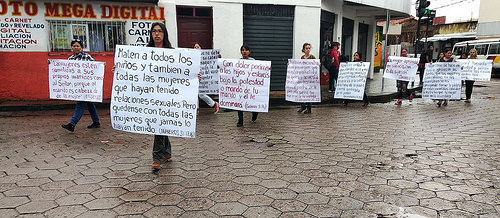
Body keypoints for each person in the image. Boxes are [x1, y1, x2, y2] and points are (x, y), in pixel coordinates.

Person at [147, 22, 174, 170]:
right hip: (151, 93)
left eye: (160, 31)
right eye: (154, 31)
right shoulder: (146, 51)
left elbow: (183, 70)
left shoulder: (172, 52)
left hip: (167, 94)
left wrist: (195, 76)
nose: (156, 34)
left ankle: (156, 157)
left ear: (164, 34)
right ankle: (167, 152)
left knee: (160, 124)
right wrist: (121, 70)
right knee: (160, 123)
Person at [61, 39, 100, 132]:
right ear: (71, 48)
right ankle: (96, 122)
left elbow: (95, 66)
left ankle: (72, 124)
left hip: (86, 85)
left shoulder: (86, 56)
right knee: (90, 104)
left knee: (80, 104)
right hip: (77, 86)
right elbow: (65, 70)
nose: (76, 47)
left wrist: (101, 65)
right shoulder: (70, 59)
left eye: (78, 46)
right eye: (74, 46)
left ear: (81, 48)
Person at [193, 42, 219, 114]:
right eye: (194, 47)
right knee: (195, 94)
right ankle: (196, 109)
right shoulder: (192, 57)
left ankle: (214, 104)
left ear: (201, 48)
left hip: (204, 79)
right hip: (195, 78)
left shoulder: (206, 57)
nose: (196, 48)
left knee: (201, 94)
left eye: (197, 47)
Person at [237, 45, 259, 127]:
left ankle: (255, 112)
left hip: (250, 86)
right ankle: (240, 120)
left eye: (246, 50)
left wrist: (267, 69)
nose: (244, 51)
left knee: (252, 101)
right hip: (241, 86)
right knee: (240, 102)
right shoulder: (238, 61)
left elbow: (259, 70)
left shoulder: (253, 61)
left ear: (249, 52)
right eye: (242, 50)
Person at [297, 43, 316, 114]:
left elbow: (315, 66)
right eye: (306, 48)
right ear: (303, 49)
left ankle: (309, 108)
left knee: (309, 93)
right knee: (300, 92)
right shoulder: (302, 58)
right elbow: (298, 67)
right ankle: (303, 106)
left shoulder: (312, 57)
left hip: (310, 79)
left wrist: (318, 65)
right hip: (302, 78)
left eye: (309, 48)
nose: (308, 50)